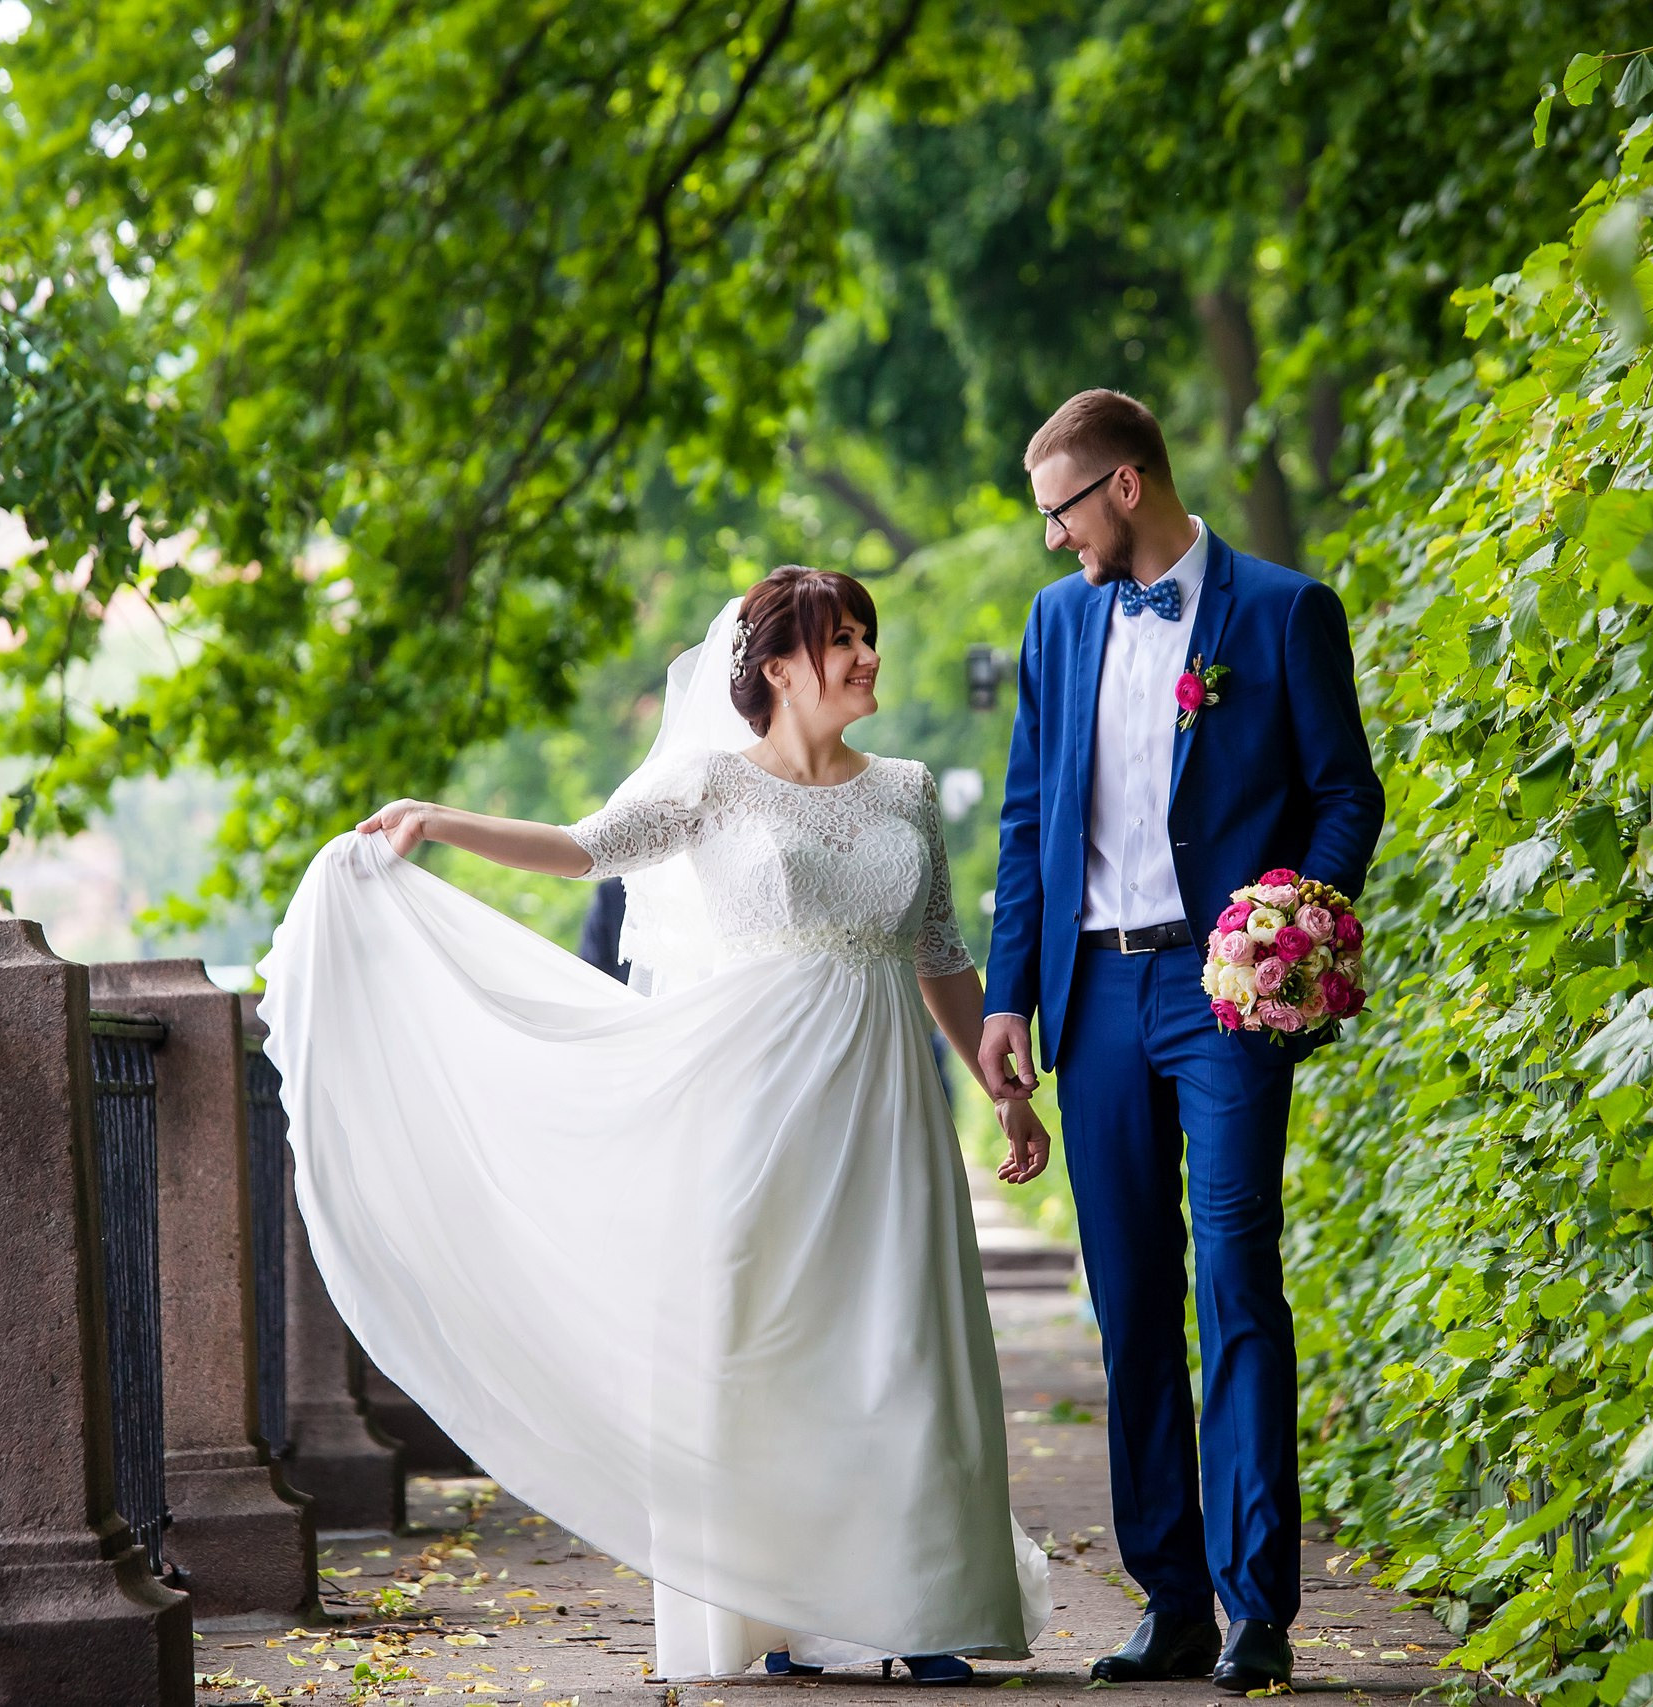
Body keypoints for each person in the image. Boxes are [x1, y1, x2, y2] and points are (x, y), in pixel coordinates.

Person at [258, 566, 1053, 1683]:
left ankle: (921, 1609)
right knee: (767, 1347)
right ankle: (779, 1609)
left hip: (887, 1108)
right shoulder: (712, 784)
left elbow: (937, 952)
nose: (868, 655)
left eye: (866, 635)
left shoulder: (908, 789)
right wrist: (438, 820)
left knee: (904, 1340)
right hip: (757, 1101)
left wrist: (1003, 1088)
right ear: (779, 668)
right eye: (842, 640)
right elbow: (582, 846)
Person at [976, 390, 1385, 1694]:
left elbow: (1345, 792)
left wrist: (1294, 917)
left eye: (1060, 510)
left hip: (1223, 1001)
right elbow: (1029, 817)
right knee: (1131, 1299)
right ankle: (1172, 1602)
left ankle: (1257, 1606)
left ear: (1126, 486)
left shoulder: (1283, 611)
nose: (1054, 539)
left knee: (1239, 1279)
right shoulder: (1056, 622)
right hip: (1093, 997)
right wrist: (1006, 997)